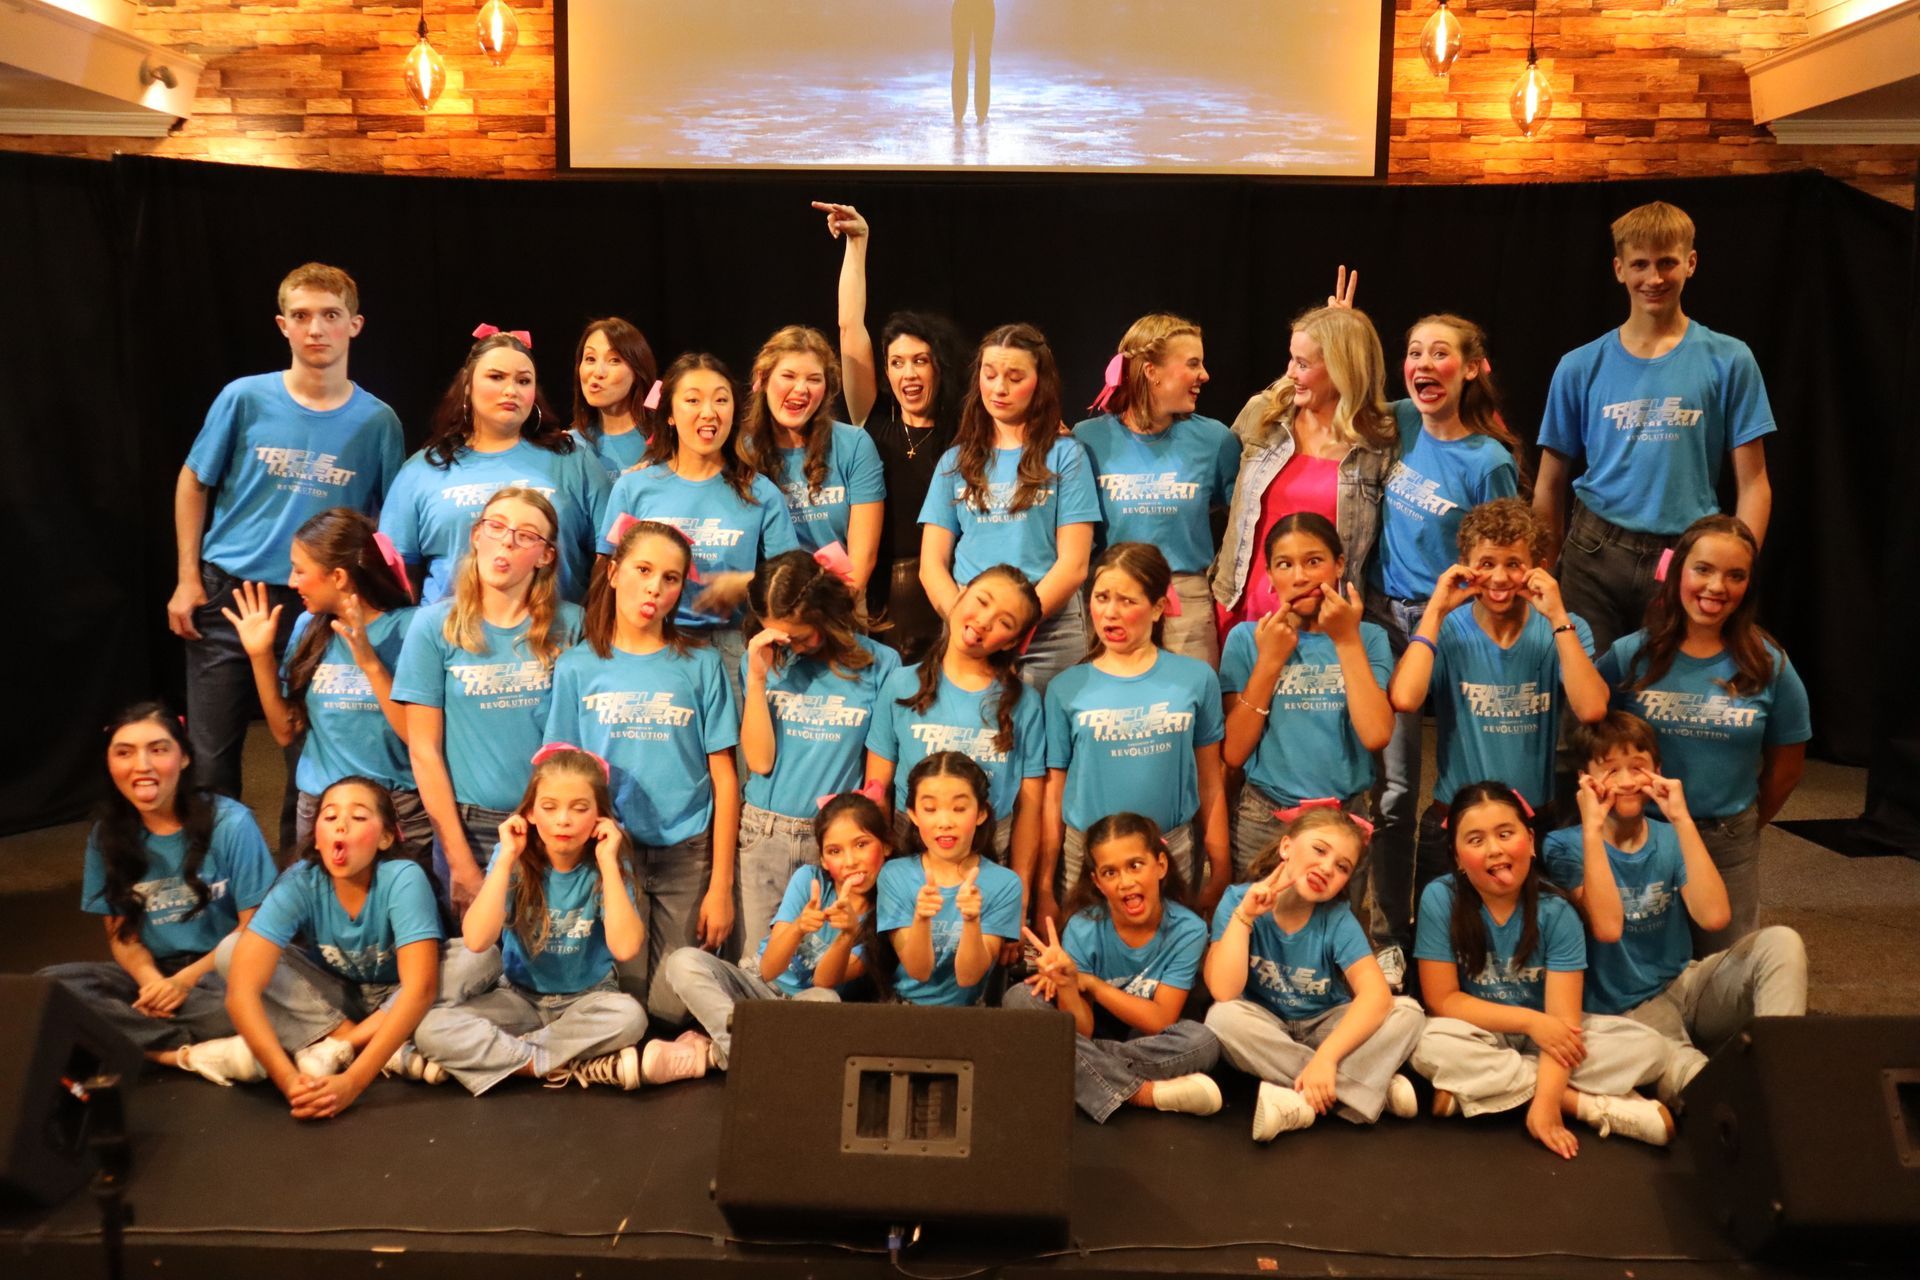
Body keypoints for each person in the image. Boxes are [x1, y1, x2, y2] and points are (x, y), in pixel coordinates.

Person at [169, 263, 404, 848]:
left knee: (307, 752)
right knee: (213, 756)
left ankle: (301, 883)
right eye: (301, 316)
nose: (316, 329)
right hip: (231, 593)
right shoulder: (244, 398)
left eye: (330, 315)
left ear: (355, 325)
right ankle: (223, 887)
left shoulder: (377, 421)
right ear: (283, 325)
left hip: (318, 605)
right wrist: (185, 577)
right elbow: (194, 482)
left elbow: (385, 527)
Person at [1533, 201, 1776, 659]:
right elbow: (1549, 482)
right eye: (1640, 264)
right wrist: (1541, 568)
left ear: (1690, 262)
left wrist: (1732, 565)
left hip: (1687, 554)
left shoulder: (1729, 359)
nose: (1654, 278)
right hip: (1593, 554)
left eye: (1667, 262)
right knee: (1587, 703)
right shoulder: (1580, 366)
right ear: (1619, 269)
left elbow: (1754, 482)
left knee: (1666, 698)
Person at [1385, 498, 1607, 982]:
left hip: (1535, 824)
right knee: (1441, 955)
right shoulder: (1451, 629)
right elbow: (1404, 697)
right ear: (1466, 566)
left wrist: (1559, 617)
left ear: (1537, 570)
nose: (1501, 578)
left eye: (1514, 564)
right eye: (1487, 564)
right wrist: (1436, 611)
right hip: (1452, 822)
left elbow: (1591, 708)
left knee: (1530, 957)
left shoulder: (1562, 629)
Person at [1542, 712, 1807, 1105]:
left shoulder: (1670, 835)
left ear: (1658, 771)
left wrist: (1681, 819)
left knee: (1781, 943)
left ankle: (1780, 1074)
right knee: (1701, 1084)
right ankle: (1750, 1109)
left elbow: (1714, 916)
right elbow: (1607, 927)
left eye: (1639, 767)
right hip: (1624, 1011)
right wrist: (1593, 830)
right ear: (1585, 779)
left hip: (1684, 984)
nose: (1627, 781)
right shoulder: (1564, 845)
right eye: (1611, 770)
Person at [1369, 314, 1523, 972]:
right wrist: (1342, 331)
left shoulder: (1488, 459)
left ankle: (1468, 927)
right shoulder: (1395, 421)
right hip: (1386, 620)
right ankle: (1388, 932)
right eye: (1414, 353)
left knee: (1469, 781)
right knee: (1394, 790)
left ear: (1470, 368)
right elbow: (1318, 393)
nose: (1425, 365)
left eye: (1441, 354)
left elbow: (1510, 547)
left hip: (1457, 624)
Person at [1409, 782, 1676, 1158]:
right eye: (1475, 840)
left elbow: (1562, 1023)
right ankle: (1583, 1104)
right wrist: (1554, 1102)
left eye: (1505, 834)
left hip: (1549, 1032)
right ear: (1455, 856)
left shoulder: (1557, 911)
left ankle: (1488, 1089)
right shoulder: (1441, 898)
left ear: (1530, 841)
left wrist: (1542, 1049)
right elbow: (1442, 1000)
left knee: (1651, 1050)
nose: (1495, 849)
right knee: (1426, 1043)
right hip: (1482, 1031)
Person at [545, 519, 738, 1025]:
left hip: (686, 854)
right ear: (613, 573)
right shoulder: (577, 667)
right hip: (614, 856)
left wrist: (721, 885)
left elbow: (723, 776)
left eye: (671, 578)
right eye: (644, 570)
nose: (655, 587)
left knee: (672, 1013)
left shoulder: (701, 664)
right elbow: (562, 773)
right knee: (624, 1003)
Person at [218, 777, 497, 1120]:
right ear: (316, 837)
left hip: (401, 995)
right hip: (339, 997)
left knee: (478, 956)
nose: (342, 826)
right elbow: (241, 992)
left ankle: (341, 1044)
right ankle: (387, 1048)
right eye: (330, 817)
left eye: (359, 817)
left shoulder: (402, 877)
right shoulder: (299, 881)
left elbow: (419, 990)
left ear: (386, 837)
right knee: (232, 951)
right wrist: (289, 1082)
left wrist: (352, 1083)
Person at [1594, 515, 1808, 949]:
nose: (1716, 587)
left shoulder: (1771, 666)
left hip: (1726, 840)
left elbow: (1786, 767)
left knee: (1725, 973)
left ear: (1748, 586)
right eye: (1703, 570)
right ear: (1677, 573)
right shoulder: (1631, 654)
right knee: (1637, 972)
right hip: (1640, 834)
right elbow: (1592, 733)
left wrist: (1740, 824)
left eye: (1735, 576)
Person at [42, 704, 277, 1086]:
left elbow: (257, 929)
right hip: (156, 975)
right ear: (109, 763)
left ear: (183, 757)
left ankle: (128, 1044)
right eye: (124, 752)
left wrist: (183, 983)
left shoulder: (231, 822)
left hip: (224, 972)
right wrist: (153, 982)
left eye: (158, 749)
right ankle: (185, 1054)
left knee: (256, 1003)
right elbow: (124, 938)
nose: (142, 765)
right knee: (50, 988)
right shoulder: (107, 835)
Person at [412, 746, 654, 1093]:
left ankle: (503, 1059)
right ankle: (563, 1063)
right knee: (431, 1028)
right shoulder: (514, 857)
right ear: (531, 813)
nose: (563, 820)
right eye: (550, 807)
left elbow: (626, 947)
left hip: (587, 999)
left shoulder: (607, 863)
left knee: (630, 1017)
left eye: (579, 808)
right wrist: (508, 856)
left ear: (600, 816)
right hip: (519, 998)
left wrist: (607, 862)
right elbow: (477, 940)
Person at [390, 488, 584, 918]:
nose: (507, 542)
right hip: (470, 829)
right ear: (476, 536)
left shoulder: (571, 625)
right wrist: (458, 858)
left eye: (525, 535)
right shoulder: (433, 626)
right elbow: (423, 751)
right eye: (495, 527)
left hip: (552, 823)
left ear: (546, 556)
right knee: (477, 968)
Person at [1203, 809, 1425, 1141]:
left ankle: (1299, 1101)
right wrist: (1244, 917)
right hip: (1266, 1026)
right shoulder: (1237, 900)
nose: (1326, 868)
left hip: (1325, 1025)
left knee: (1408, 1012)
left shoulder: (1336, 918)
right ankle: (1367, 1087)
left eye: (1342, 867)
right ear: (1286, 847)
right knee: (1222, 1018)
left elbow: (1376, 995)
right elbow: (1223, 989)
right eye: (1320, 850)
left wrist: (1327, 1057)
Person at [1039, 543, 1229, 927]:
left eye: (1127, 600)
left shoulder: (1195, 679)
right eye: (1102, 597)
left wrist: (1221, 864)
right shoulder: (1066, 688)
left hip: (1169, 852)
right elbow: (1053, 792)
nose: (1110, 612)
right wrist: (1044, 884)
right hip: (1087, 856)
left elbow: (1210, 780)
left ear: (1159, 607)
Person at [221, 508, 424, 866]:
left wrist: (370, 663)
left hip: (396, 808)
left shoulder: (412, 630)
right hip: (322, 808)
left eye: (300, 570)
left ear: (339, 576)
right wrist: (260, 656)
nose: (292, 581)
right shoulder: (307, 627)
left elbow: (418, 736)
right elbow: (287, 732)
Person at [600, 352, 801, 714]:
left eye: (721, 399)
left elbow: (790, 582)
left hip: (733, 649)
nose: (709, 412)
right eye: (693, 400)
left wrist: (744, 583)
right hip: (651, 644)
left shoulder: (761, 492)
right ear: (671, 415)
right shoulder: (634, 489)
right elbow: (605, 577)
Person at [815, 201, 969, 661]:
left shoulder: (963, 433)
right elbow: (849, 327)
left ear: (939, 366)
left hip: (946, 592)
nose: (909, 374)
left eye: (920, 361)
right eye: (897, 363)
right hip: (877, 602)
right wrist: (857, 245)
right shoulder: (872, 421)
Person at [919, 323, 1100, 695]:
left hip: (1049, 632)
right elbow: (931, 565)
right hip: (970, 628)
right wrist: (967, 624)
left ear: (1040, 383)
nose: (999, 388)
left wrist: (1016, 623)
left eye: (1014, 377)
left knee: (1050, 746)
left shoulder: (1066, 455)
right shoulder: (955, 461)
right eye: (990, 375)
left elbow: (1074, 564)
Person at [1008, 812, 1222, 1121]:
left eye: (1135, 866)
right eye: (1110, 873)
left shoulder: (1188, 929)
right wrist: (1068, 984)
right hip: (1092, 1029)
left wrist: (1093, 985)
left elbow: (1160, 1019)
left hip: (1144, 1038)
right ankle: (1142, 1094)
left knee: (1203, 1042)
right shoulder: (1083, 928)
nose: (1125, 882)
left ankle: (1073, 1064)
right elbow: (1082, 1027)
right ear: (1097, 881)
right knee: (1019, 998)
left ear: (1160, 865)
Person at [736, 550, 901, 951]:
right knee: (761, 965)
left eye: (801, 635)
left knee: (822, 966)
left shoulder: (881, 664)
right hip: (765, 832)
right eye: (780, 635)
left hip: (833, 839)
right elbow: (759, 761)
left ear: (824, 614)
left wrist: (865, 845)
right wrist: (757, 679)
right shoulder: (762, 661)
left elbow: (879, 774)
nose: (792, 645)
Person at [661, 789, 892, 1075]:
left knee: (826, 1002)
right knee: (683, 962)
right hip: (757, 985)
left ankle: (715, 1053)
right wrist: (798, 928)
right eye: (835, 851)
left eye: (861, 845)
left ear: (886, 846)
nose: (850, 861)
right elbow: (769, 969)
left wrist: (846, 936)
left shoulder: (886, 913)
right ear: (822, 859)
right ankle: (751, 1054)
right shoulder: (810, 880)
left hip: (803, 1008)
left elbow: (824, 981)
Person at [382, 327, 610, 605]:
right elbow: (398, 574)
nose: (511, 390)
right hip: (451, 640)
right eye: (496, 377)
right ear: (468, 387)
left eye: (524, 381)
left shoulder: (574, 459)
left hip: (554, 637)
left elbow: (610, 556)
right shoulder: (421, 470)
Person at [1220, 514, 1393, 879]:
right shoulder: (1246, 638)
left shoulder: (1369, 638)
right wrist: (1269, 660)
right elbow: (1234, 752)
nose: (1300, 577)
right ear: (1269, 575)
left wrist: (1346, 640)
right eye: (1285, 564)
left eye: (1314, 561)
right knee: (1255, 926)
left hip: (1343, 818)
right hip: (1265, 817)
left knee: (1335, 928)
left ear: (1339, 565)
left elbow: (1376, 733)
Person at [865, 565, 1044, 901]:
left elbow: (1030, 807)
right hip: (911, 850)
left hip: (990, 854)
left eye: (1005, 622)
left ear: (1015, 640)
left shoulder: (1025, 703)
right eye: (982, 601)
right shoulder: (901, 684)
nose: (984, 621)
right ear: (960, 593)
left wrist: (1019, 896)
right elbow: (878, 788)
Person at [1213, 302, 1394, 631]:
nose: (1290, 373)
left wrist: (1346, 327)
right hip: (1246, 609)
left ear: (1341, 369)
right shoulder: (1263, 414)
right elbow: (1223, 490)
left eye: (1303, 363)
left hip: (1325, 621)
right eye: (1292, 359)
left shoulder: (1377, 444)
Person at [1072, 313, 1240, 665]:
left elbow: (1246, 526)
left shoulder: (1215, 440)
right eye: (1193, 363)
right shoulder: (1087, 439)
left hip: (1186, 604)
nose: (1204, 375)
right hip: (1111, 602)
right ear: (1152, 371)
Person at [736, 325, 885, 597]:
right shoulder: (740, 451)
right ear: (763, 379)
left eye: (814, 379)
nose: (801, 389)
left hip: (837, 605)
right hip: (765, 609)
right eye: (788, 376)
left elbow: (863, 559)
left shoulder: (854, 445)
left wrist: (825, 618)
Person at [877, 753, 1024, 1005]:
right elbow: (918, 971)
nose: (944, 822)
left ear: (980, 813)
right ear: (912, 814)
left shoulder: (1005, 883)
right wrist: (921, 918)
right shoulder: (895, 875)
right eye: (930, 809)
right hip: (903, 1008)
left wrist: (971, 920)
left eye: (959, 809)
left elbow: (969, 977)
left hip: (969, 1014)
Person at [571, 317, 659, 480]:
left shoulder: (663, 440)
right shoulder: (572, 445)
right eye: (590, 359)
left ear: (638, 370)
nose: (598, 372)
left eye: (614, 360)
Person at [951, 0, 995, 124]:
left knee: (963, 60)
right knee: (981, 61)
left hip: (965, 7)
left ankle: (961, 111)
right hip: (981, 7)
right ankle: (979, 112)